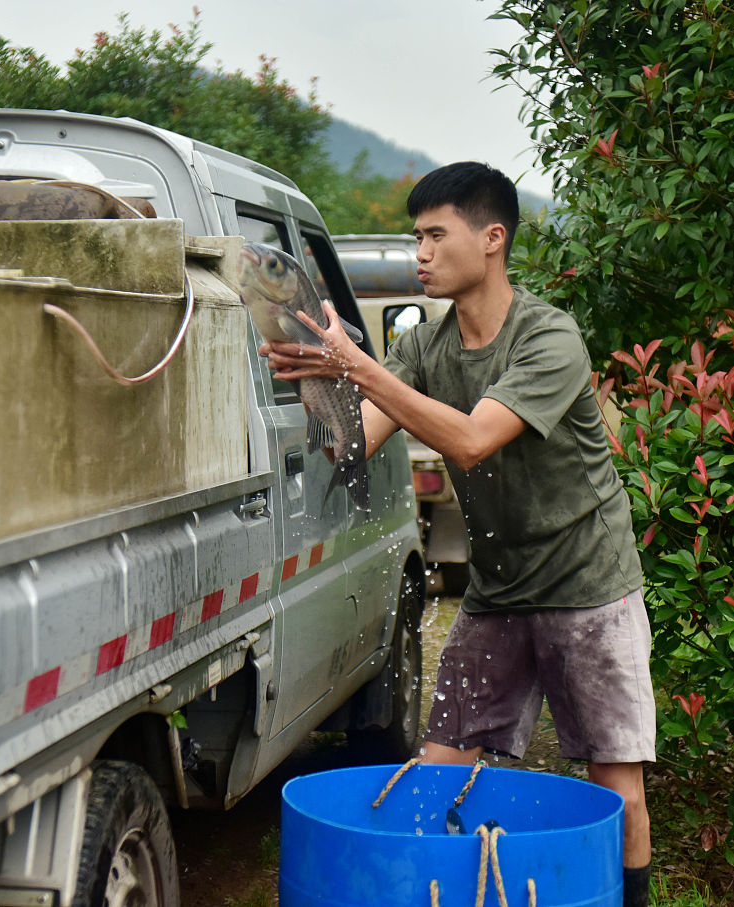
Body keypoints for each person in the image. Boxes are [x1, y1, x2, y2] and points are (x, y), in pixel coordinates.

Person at [259, 161, 654, 907]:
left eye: (437, 235)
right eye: (418, 237)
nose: (422, 253)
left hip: (590, 589)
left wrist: (364, 371)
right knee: (441, 769)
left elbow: (474, 440)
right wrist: (313, 373)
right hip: (499, 595)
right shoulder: (424, 346)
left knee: (619, 789)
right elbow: (354, 443)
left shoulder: (550, 338)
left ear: (493, 238)